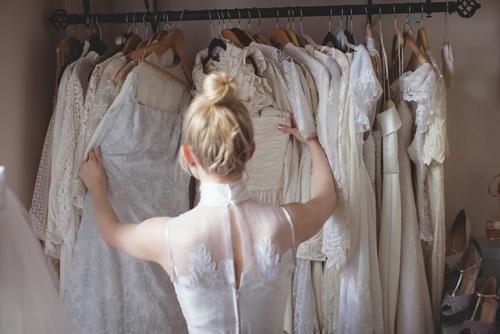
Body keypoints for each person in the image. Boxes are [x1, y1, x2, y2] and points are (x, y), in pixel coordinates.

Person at [79, 72, 336, 333]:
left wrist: (98, 187)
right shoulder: (284, 224)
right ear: (250, 151)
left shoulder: (171, 236)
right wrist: (311, 142)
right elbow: (326, 200)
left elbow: (111, 231)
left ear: (188, 155)